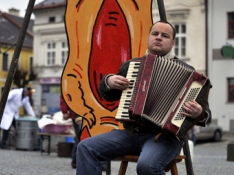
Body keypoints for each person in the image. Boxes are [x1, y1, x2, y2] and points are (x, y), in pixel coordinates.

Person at [76, 21, 212, 175]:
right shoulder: (131, 66)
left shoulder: (189, 74)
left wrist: (199, 112)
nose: (159, 38)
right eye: (155, 34)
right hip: (131, 134)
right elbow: (109, 96)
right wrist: (108, 81)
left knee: (147, 166)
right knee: (85, 148)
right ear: (148, 39)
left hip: (164, 138)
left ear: (173, 43)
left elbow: (205, 114)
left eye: (165, 36)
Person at [60, 95, 80, 168]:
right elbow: (65, 94)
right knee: (80, 137)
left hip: (83, 112)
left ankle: (75, 160)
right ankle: (75, 160)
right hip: (77, 114)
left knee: (80, 137)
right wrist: (65, 111)